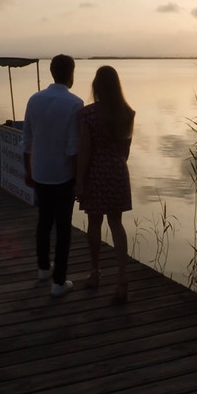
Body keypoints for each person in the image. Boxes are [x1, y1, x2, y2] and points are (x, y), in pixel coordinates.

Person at [21, 54, 84, 297]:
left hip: (40, 172)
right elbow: (72, 147)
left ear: (51, 72)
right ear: (71, 73)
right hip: (63, 175)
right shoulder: (74, 104)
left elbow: (26, 140)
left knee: (43, 222)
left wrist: (28, 170)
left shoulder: (34, 99)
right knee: (64, 228)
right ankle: (59, 282)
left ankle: (43, 268)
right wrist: (78, 179)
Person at [74, 65, 135, 304]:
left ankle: (95, 272)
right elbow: (126, 150)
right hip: (119, 170)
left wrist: (79, 180)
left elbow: (84, 150)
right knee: (116, 223)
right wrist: (116, 164)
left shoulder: (88, 114)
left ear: (96, 85)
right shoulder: (127, 113)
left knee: (95, 222)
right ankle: (122, 278)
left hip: (96, 172)